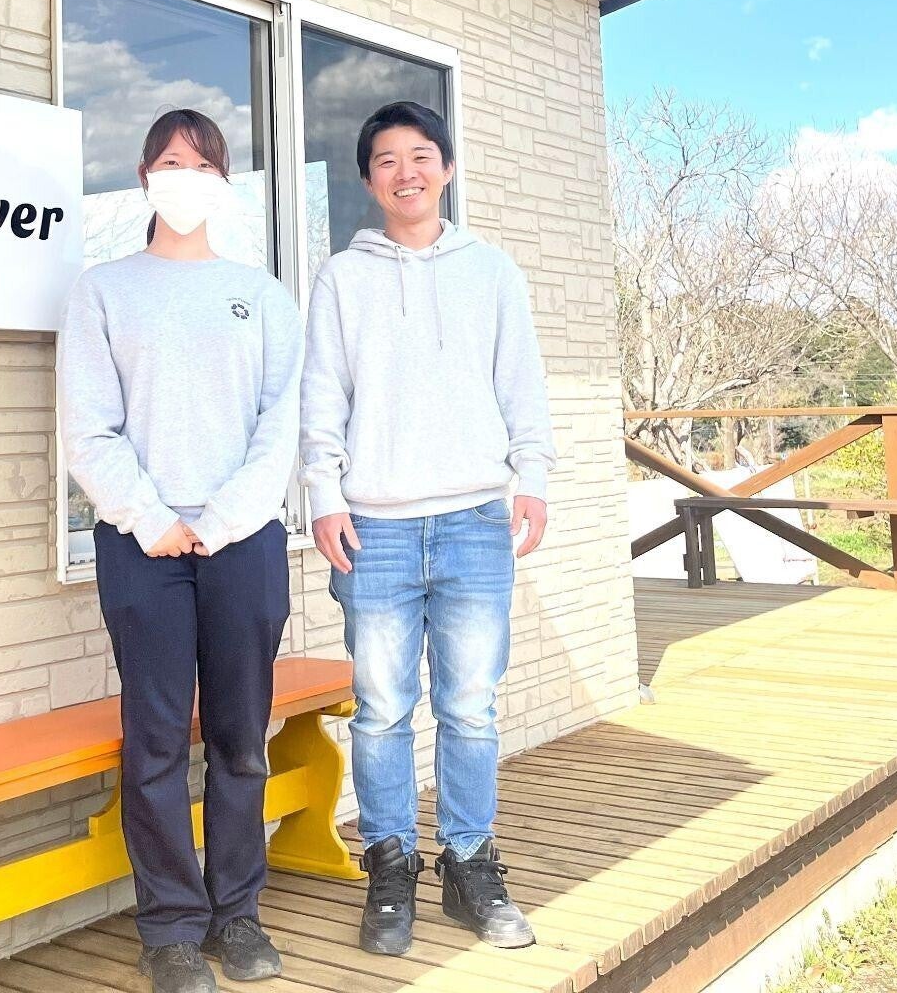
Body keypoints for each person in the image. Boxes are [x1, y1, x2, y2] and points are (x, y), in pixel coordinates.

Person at [299, 100, 556, 956]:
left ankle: (471, 865)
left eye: (420, 156)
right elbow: (322, 394)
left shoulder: (492, 271)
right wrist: (323, 493)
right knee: (380, 711)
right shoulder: (343, 277)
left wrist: (533, 479)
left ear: (445, 167)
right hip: (373, 527)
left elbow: (522, 383)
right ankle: (390, 866)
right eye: (386, 160)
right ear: (368, 179)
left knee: (470, 708)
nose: (404, 172)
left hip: (475, 520)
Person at [59, 109, 303, 993]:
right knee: (155, 740)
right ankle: (169, 928)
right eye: (170, 162)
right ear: (143, 177)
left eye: (203, 166)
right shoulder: (103, 292)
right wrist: (151, 518)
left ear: (224, 184)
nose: (185, 179)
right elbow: (89, 427)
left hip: (244, 539)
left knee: (240, 736)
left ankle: (237, 914)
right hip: (143, 545)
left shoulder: (262, 295)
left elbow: (281, 424)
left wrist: (225, 517)